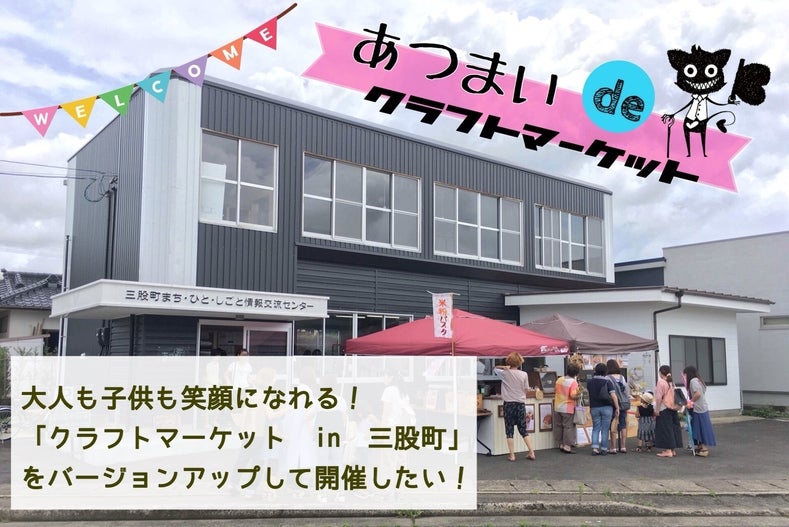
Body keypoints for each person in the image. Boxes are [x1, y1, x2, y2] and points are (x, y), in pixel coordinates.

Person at [494, 352, 536, 461]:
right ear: (520, 362)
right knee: (523, 430)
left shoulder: (504, 373)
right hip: (520, 404)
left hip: (508, 404)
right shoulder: (524, 374)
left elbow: (495, 368)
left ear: (508, 362)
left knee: (509, 430)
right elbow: (526, 389)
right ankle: (531, 452)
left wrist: (504, 367)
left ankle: (512, 455)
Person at [586, 362, 619, 456]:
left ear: (596, 371)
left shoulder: (590, 382)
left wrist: (590, 406)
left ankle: (595, 448)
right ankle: (604, 448)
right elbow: (613, 396)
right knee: (605, 429)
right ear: (605, 371)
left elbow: (589, 396)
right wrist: (617, 407)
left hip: (594, 407)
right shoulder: (608, 382)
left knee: (595, 428)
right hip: (607, 407)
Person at [683, 365, 716, 457]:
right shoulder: (699, 380)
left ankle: (704, 448)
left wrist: (690, 401)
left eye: (685, 374)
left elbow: (697, 394)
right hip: (702, 407)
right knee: (700, 427)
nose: (685, 377)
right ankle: (700, 446)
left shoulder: (693, 381)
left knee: (700, 428)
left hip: (698, 409)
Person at [653, 364, 684, 458]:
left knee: (665, 429)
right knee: (673, 428)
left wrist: (657, 409)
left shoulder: (661, 382)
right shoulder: (671, 382)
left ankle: (668, 450)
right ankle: (673, 450)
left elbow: (659, 398)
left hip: (664, 408)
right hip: (673, 408)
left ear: (660, 372)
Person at [553, 363, 581, 454]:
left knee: (559, 426)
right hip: (567, 407)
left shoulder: (559, 379)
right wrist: (579, 395)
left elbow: (555, 390)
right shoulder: (573, 382)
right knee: (568, 427)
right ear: (576, 373)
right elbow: (572, 395)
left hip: (557, 406)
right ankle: (567, 446)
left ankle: (560, 444)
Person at [606, 359, 631, 454]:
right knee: (623, 424)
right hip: (623, 403)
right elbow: (626, 391)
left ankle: (613, 447)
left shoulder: (607, 378)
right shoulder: (622, 377)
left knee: (613, 424)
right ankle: (623, 446)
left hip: (612, 404)